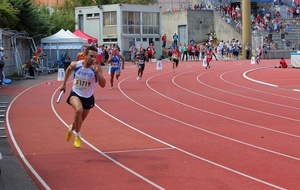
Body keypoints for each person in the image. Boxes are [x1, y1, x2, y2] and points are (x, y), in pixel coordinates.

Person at [60, 45, 106, 148]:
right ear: (85, 55)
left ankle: (72, 128)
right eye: (91, 56)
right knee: (78, 110)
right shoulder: (76, 65)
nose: (93, 59)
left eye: (95, 56)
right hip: (75, 93)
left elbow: (103, 85)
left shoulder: (96, 69)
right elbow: (68, 69)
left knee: (79, 120)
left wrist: (98, 73)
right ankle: (78, 136)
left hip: (88, 97)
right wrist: (63, 84)